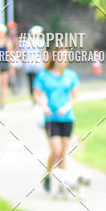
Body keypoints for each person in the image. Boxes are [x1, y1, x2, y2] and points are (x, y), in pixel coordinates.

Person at [32, 47, 80, 192]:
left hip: (67, 118)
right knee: (56, 150)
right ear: (55, 58)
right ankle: (47, 174)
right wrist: (43, 105)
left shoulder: (71, 75)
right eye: (60, 57)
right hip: (51, 118)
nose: (63, 61)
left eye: (65, 57)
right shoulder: (43, 75)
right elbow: (35, 95)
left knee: (63, 152)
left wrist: (67, 106)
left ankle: (62, 183)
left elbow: (75, 97)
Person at [23, 25, 44, 99]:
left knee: (31, 83)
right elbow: (43, 53)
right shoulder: (40, 41)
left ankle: (34, 99)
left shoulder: (25, 41)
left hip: (28, 65)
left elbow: (22, 55)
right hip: (37, 65)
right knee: (37, 83)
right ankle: (36, 98)